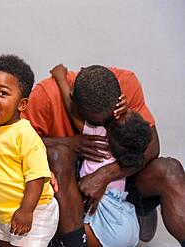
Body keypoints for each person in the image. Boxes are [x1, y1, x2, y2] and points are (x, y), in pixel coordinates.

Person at [22, 64, 185, 247]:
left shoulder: (127, 83)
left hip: (119, 186)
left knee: (169, 169)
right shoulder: (46, 95)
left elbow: (152, 147)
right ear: (76, 105)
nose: (106, 127)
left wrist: (104, 175)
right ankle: (74, 239)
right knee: (58, 155)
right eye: (97, 122)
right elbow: (18, 142)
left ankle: (136, 208)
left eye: (111, 119)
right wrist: (68, 143)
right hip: (69, 187)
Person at [0, 54, 58, 247]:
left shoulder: (25, 134)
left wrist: (26, 211)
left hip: (34, 209)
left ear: (21, 104)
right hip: (5, 211)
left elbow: (36, 178)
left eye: (3, 94)